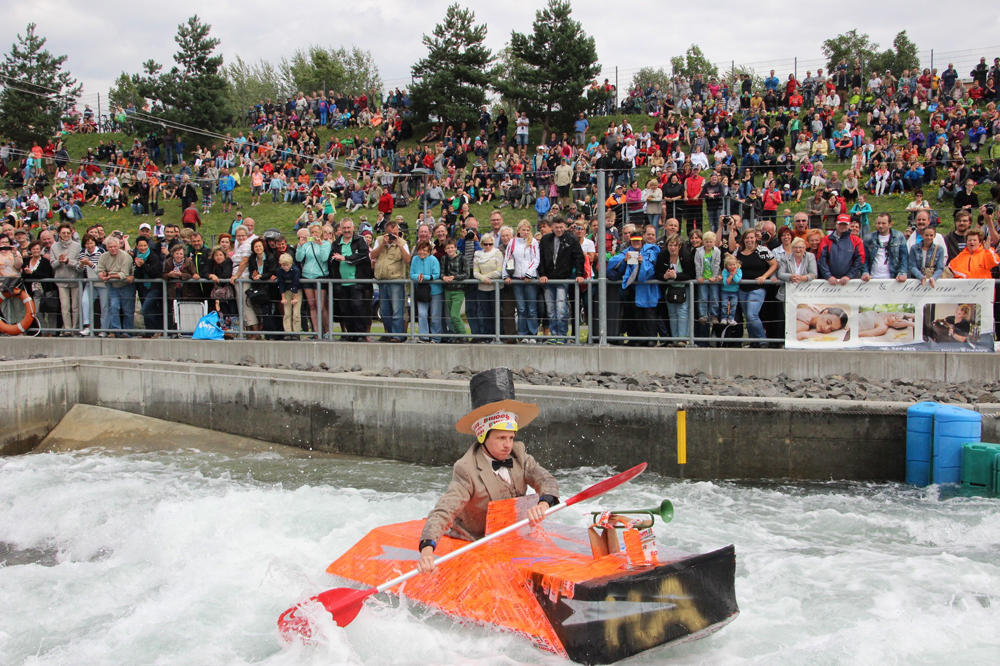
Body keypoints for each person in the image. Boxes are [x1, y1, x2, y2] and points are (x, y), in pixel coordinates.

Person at [418, 368, 559, 574]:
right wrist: (427, 549)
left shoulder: (519, 455)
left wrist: (544, 502)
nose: (508, 445)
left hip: (513, 536)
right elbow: (444, 510)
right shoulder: (466, 469)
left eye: (511, 438)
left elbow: (546, 479)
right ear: (483, 437)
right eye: (501, 439)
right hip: (474, 539)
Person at [538, 215, 585, 342]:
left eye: (561, 227)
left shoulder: (571, 239)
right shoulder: (545, 240)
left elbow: (579, 257)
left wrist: (579, 274)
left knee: (561, 309)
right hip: (548, 279)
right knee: (551, 310)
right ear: (552, 227)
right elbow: (540, 258)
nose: (559, 230)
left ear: (565, 227)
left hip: (563, 279)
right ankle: (554, 335)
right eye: (556, 227)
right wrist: (542, 274)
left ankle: (562, 335)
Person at [329, 218, 373, 339]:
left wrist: (346, 258)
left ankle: (360, 333)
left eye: (348, 227)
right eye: (344, 228)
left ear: (353, 228)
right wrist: (334, 260)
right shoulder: (336, 243)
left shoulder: (360, 241)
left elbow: (363, 256)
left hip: (356, 282)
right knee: (345, 308)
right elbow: (332, 259)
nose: (346, 230)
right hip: (342, 283)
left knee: (357, 305)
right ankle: (350, 333)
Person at [371, 219, 411, 341]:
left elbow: (408, 259)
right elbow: (372, 256)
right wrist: (383, 244)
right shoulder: (379, 241)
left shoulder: (403, 243)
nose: (393, 235)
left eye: (395, 233)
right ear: (385, 232)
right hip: (382, 281)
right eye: (391, 233)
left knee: (397, 310)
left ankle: (398, 336)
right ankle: (391, 334)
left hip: (396, 281)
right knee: (384, 311)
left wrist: (399, 245)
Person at [503, 220, 540, 340]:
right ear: (518, 230)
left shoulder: (533, 242)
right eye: (523, 230)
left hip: (529, 279)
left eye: (528, 230)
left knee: (532, 308)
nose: (525, 232)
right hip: (517, 280)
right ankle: (522, 333)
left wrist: (529, 274)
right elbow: (507, 259)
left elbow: (536, 259)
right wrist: (506, 276)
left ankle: (533, 334)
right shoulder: (512, 242)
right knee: (521, 308)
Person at [96, 236, 135, 337]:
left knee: (127, 310)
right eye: (110, 247)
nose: (113, 249)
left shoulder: (125, 256)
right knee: (113, 307)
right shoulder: (104, 256)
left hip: (126, 285)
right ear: (107, 247)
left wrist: (110, 275)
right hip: (114, 285)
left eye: (115, 246)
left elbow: (124, 274)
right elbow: (99, 268)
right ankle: (115, 331)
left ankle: (127, 332)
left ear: (119, 246)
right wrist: (101, 273)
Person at [410, 239, 443, 342]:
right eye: (420, 250)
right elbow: (411, 274)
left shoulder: (433, 260)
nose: (422, 252)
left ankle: (436, 338)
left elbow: (436, 274)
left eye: (424, 250)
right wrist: (418, 277)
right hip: (421, 291)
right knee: (422, 314)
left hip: (435, 291)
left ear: (428, 251)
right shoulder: (415, 259)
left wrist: (425, 277)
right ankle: (423, 336)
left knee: (435, 315)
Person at [861, 214, 908, 283]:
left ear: (890, 224)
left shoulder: (899, 236)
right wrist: (865, 272)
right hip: (872, 278)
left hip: (893, 279)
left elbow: (904, 257)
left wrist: (902, 273)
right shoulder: (868, 238)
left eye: (883, 223)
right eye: (878, 223)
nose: (880, 226)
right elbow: (865, 258)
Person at [818, 214, 864, 285]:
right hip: (829, 282)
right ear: (836, 224)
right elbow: (821, 259)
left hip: (850, 281)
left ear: (849, 225)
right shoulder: (826, 239)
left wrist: (849, 276)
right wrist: (828, 276)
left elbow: (860, 260)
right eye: (840, 224)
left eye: (845, 224)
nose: (842, 226)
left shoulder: (856, 240)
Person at [720, 255, 741, 326]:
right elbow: (726, 283)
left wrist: (734, 274)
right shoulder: (725, 272)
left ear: (736, 264)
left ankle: (731, 318)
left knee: (733, 304)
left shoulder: (739, 271)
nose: (732, 267)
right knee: (724, 304)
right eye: (730, 265)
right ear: (727, 265)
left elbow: (737, 280)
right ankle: (724, 318)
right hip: (725, 291)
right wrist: (731, 275)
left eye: (734, 264)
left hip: (734, 291)